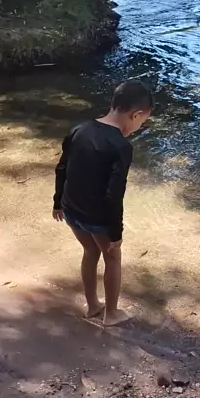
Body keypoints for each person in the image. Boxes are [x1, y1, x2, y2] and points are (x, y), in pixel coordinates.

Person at [53, 79, 153, 327]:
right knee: (112, 259)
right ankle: (112, 313)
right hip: (97, 218)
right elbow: (114, 194)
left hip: (71, 209)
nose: (138, 127)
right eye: (141, 122)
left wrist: (57, 202)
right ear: (136, 114)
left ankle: (92, 306)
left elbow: (62, 167)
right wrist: (116, 233)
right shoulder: (121, 146)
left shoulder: (80, 129)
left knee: (90, 251)